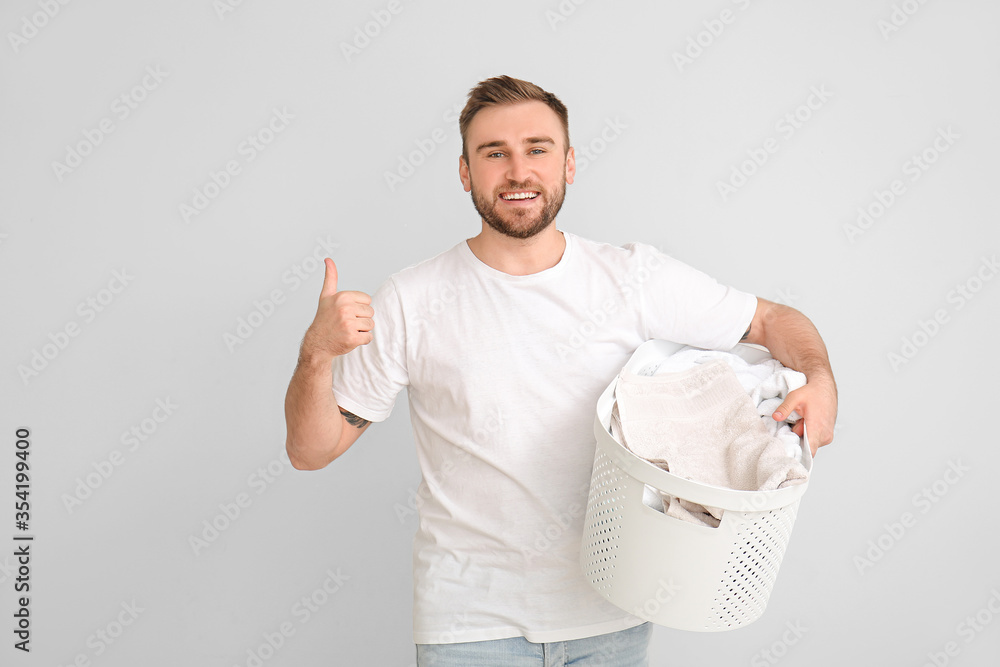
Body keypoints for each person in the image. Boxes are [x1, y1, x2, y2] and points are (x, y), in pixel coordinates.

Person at [283, 75, 838, 667]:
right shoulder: (411, 299)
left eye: (537, 149)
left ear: (568, 164)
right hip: (468, 621)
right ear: (466, 173)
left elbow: (774, 320)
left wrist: (820, 380)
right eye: (494, 153)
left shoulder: (632, 279)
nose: (517, 171)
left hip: (613, 610)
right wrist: (315, 354)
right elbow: (310, 451)